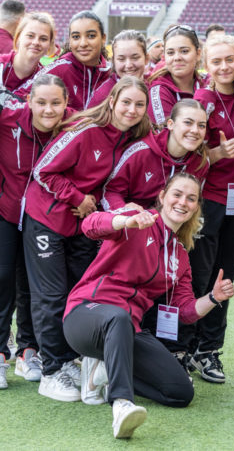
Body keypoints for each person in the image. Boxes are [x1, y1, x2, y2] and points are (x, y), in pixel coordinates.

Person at [63, 173, 234, 439]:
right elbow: (90, 224)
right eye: (177, 194)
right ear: (162, 197)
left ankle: (104, 372)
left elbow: (185, 312)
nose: (183, 202)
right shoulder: (136, 219)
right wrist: (125, 220)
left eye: (191, 199)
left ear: (196, 208)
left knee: (181, 392)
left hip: (127, 330)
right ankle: (122, 403)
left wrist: (213, 298)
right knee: (118, 317)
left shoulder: (180, 256)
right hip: (85, 315)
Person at [23, 76, 150, 402]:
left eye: (139, 104)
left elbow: (111, 187)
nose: (132, 110)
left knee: (80, 293)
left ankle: (68, 359)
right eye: (126, 102)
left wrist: (121, 211)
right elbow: (43, 170)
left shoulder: (130, 138)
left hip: (81, 225)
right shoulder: (86, 130)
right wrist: (77, 197)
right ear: (112, 101)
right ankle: (51, 371)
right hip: (47, 218)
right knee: (51, 296)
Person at [186, 34, 234, 383]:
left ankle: (209, 350)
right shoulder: (203, 100)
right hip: (210, 199)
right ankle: (186, 346)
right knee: (200, 275)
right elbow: (185, 152)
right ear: (206, 65)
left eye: (230, 59)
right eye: (216, 61)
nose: (224, 67)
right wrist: (215, 154)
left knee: (226, 277)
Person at [0, 75, 72, 389]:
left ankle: (29, 350)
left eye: (55, 102)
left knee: (32, 284)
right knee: (3, 277)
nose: (48, 109)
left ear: (66, 103)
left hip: (42, 217)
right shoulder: (8, 118)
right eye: (41, 102)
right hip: (6, 211)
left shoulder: (73, 127)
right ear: (29, 101)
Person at [101, 98, 209, 212]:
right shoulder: (141, 151)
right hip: (129, 218)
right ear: (171, 124)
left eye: (201, 125)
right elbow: (110, 191)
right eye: (188, 123)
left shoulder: (200, 162)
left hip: (167, 220)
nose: (195, 130)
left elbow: (192, 205)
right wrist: (124, 210)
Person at [18, 11, 110, 110]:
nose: (83, 43)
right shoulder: (60, 68)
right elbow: (19, 97)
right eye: (76, 37)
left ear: (103, 38)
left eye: (91, 36)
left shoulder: (111, 73)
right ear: (70, 41)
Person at [148, 25, 205, 125]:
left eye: (184, 51)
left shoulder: (208, 83)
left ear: (198, 54)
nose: (177, 57)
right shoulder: (158, 91)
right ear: (164, 57)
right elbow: (165, 133)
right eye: (170, 53)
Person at [0, 12, 56, 97]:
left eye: (43, 39)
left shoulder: (45, 80)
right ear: (18, 37)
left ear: (49, 44)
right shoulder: (1, 64)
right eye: (30, 36)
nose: (36, 42)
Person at [88, 30, 148, 107]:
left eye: (135, 58)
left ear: (146, 59)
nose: (128, 65)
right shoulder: (103, 96)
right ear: (113, 61)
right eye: (121, 59)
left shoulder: (155, 86)